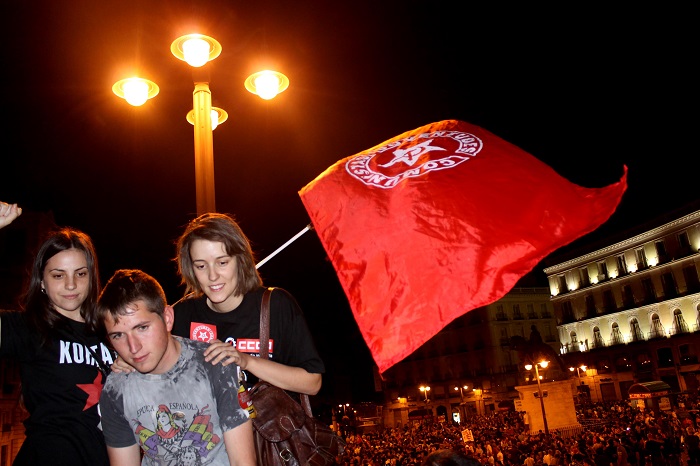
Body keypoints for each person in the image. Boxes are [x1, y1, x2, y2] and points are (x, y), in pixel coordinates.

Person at [111, 212, 325, 396]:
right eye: (201, 265)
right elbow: (155, 366)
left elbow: (312, 383)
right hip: (205, 438)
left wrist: (246, 361)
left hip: (266, 437)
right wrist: (130, 363)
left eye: (222, 262)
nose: (213, 276)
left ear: (240, 261)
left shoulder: (275, 305)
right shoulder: (182, 315)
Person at [95, 268, 256, 465]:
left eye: (142, 328)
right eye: (118, 335)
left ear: (168, 318)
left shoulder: (214, 365)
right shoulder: (116, 389)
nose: (133, 347)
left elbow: (244, 462)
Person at [0, 201, 114, 466]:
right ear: (42, 280)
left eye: (80, 273)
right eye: (58, 275)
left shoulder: (112, 330)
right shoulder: (28, 328)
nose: (71, 284)